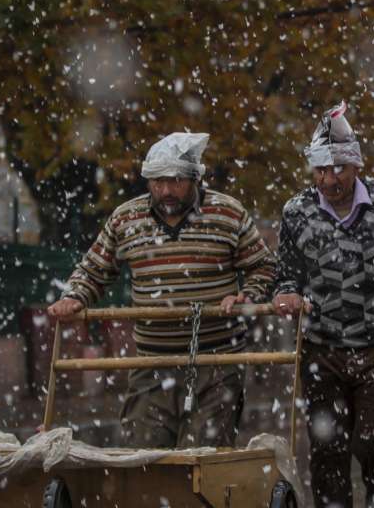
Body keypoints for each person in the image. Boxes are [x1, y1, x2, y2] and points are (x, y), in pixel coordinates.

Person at [48, 132, 277, 448]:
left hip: (216, 363)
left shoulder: (228, 213)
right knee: (143, 458)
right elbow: (94, 270)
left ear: (194, 178)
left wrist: (247, 295)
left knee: (202, 460)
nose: (166, 190)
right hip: (152, 365)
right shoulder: (126, 219)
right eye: (157, 181)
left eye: (176, 181)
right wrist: (75, 296)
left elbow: (263, 266)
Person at [273, 103, 374, 508]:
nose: (330, 179)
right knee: (327, 452)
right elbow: (286, 270)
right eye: (321, 170)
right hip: (322, 350)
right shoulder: (296, 212)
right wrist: (286, 292)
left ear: (356, 165)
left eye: (338, 169)